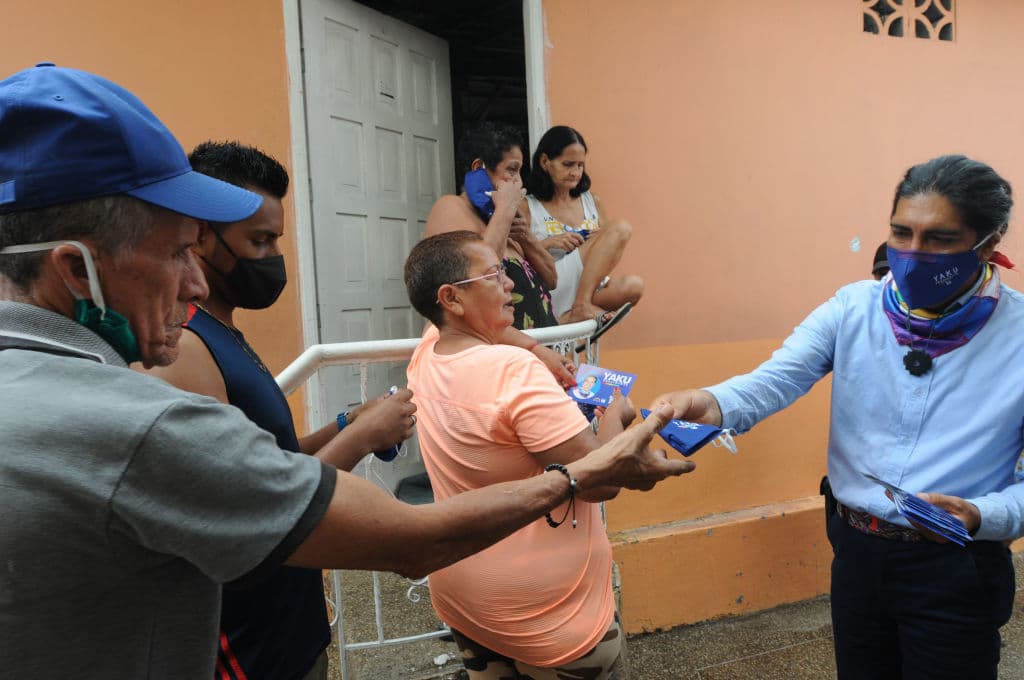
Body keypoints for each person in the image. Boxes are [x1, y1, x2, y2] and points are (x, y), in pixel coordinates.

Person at [0, 63, 694, 679]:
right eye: (178, 252)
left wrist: (356, 423)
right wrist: (583, 475)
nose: (194, 282)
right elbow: (413, 540)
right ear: (74, 268)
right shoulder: (136, 423)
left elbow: (250, 462)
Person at [653, 154, 1023, 680]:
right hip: (857, 555)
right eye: (900, 233)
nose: (913, 254)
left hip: (957, 566)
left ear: (988, 242)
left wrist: (980, 515)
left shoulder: (1019, 337)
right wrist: (708, 403)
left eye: (939, 239)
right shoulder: (853, 308)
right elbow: (775, 379)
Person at [141, 141, 413, 680]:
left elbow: (270, 459)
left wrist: (345, 423)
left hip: (293, 620)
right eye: (259, 241)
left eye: (276, 241)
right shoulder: (185, 351)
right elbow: (250, 513)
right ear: (199, 236)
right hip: (251, 648)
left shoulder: (222, 330)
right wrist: (361, 440)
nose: (273, 259)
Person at [404, 230, 694, 679]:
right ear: (451, 298)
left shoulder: (429, 350)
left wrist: (538, 350)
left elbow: (494, 335)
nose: (511, 286)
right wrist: (613, 414)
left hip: (465, 596)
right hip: (553, 614)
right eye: (494, 275)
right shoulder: (512, 373)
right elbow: (601, 480)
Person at [424, 123, 560, 330]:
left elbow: (551, 280)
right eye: (512, 170)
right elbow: (480, 276)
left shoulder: (507, 225)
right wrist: (504, 210)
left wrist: (525, 236)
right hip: (496, 356)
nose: (519, 181)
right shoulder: (450, 207)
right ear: (478, 168)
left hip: (540, 353)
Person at [522, 125, 643, 324]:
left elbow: (606, 255)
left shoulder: (592, 201)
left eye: (580, 165)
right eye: (568, 164)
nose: (575, 172)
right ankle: (580, 306)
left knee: (634, 286)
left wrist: (590, 244)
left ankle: (578, 308)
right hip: (552, 285)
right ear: (545, 162)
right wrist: (549, 243)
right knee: (621, 228)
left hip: (587, 284)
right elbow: (514, 261)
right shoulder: (528, 206)